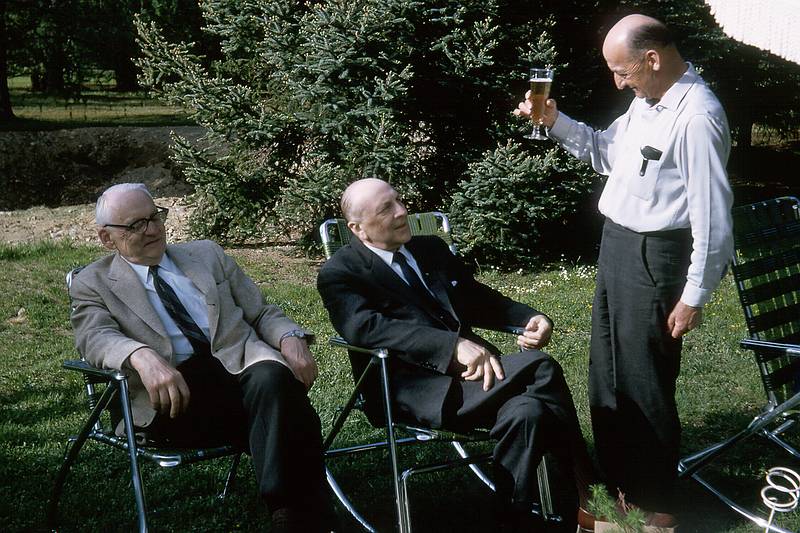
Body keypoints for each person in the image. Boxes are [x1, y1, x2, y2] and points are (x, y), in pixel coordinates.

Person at [515, 13, 734, 526]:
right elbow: (605, 153)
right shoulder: (646, 101)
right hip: (618, 245)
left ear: (652, 59)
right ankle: (621, 491)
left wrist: (694, 294)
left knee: (645, 381)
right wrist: (553, 120)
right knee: (608, 375)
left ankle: (657, 507)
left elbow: (714, 217)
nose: (619, 83)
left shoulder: (696, 117)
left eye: (623, 72)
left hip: (656, 256)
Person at [317, 177, 598, 532]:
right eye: (387, 208)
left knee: (529, 410)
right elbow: (366, 330)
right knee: (540, 366)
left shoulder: (429, 249)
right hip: (412, 388)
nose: (403, 212)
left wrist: (529, 317)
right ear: (358, 229)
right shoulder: (340, 274)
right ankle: (592, 496)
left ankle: (511, 518)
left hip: (476, 378)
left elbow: (474, 297)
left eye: (400, 201)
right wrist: (451, 346)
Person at [70, 183, 333, 532]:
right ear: (107, 238)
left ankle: (288, 513)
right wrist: (140, 355)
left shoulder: (206, 255)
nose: (151, 229)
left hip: (243, 375)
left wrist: (291, 337)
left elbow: (260, 311)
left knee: (272, 377)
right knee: (283, 400)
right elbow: (93, 336)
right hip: (176, 400)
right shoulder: (93, 282)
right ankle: (306, 511)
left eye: (154, 217)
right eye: (135, 225)